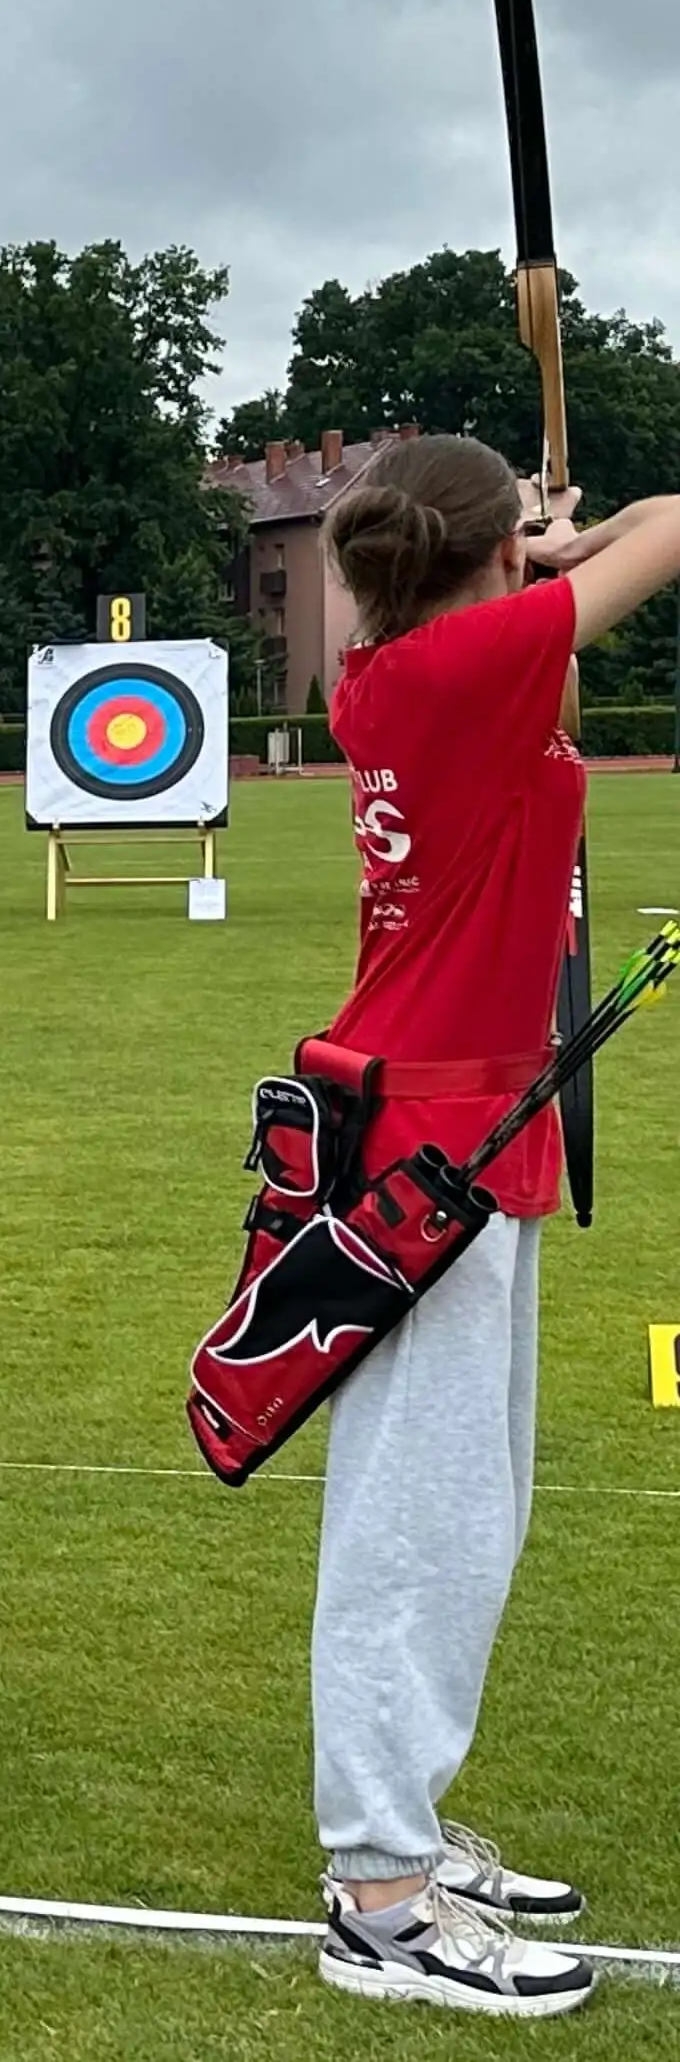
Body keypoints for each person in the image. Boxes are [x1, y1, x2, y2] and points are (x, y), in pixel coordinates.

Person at [297, 438, 680, 2019]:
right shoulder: (469, 661)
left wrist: (527, 537)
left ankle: (405, 1834)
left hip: (462, 1114)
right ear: (490, 556)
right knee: (418, 1518)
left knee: (477, 1501)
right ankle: (378, 1891)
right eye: (516, 540)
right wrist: (557, 546)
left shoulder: (393, 667)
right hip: (435, 1133)